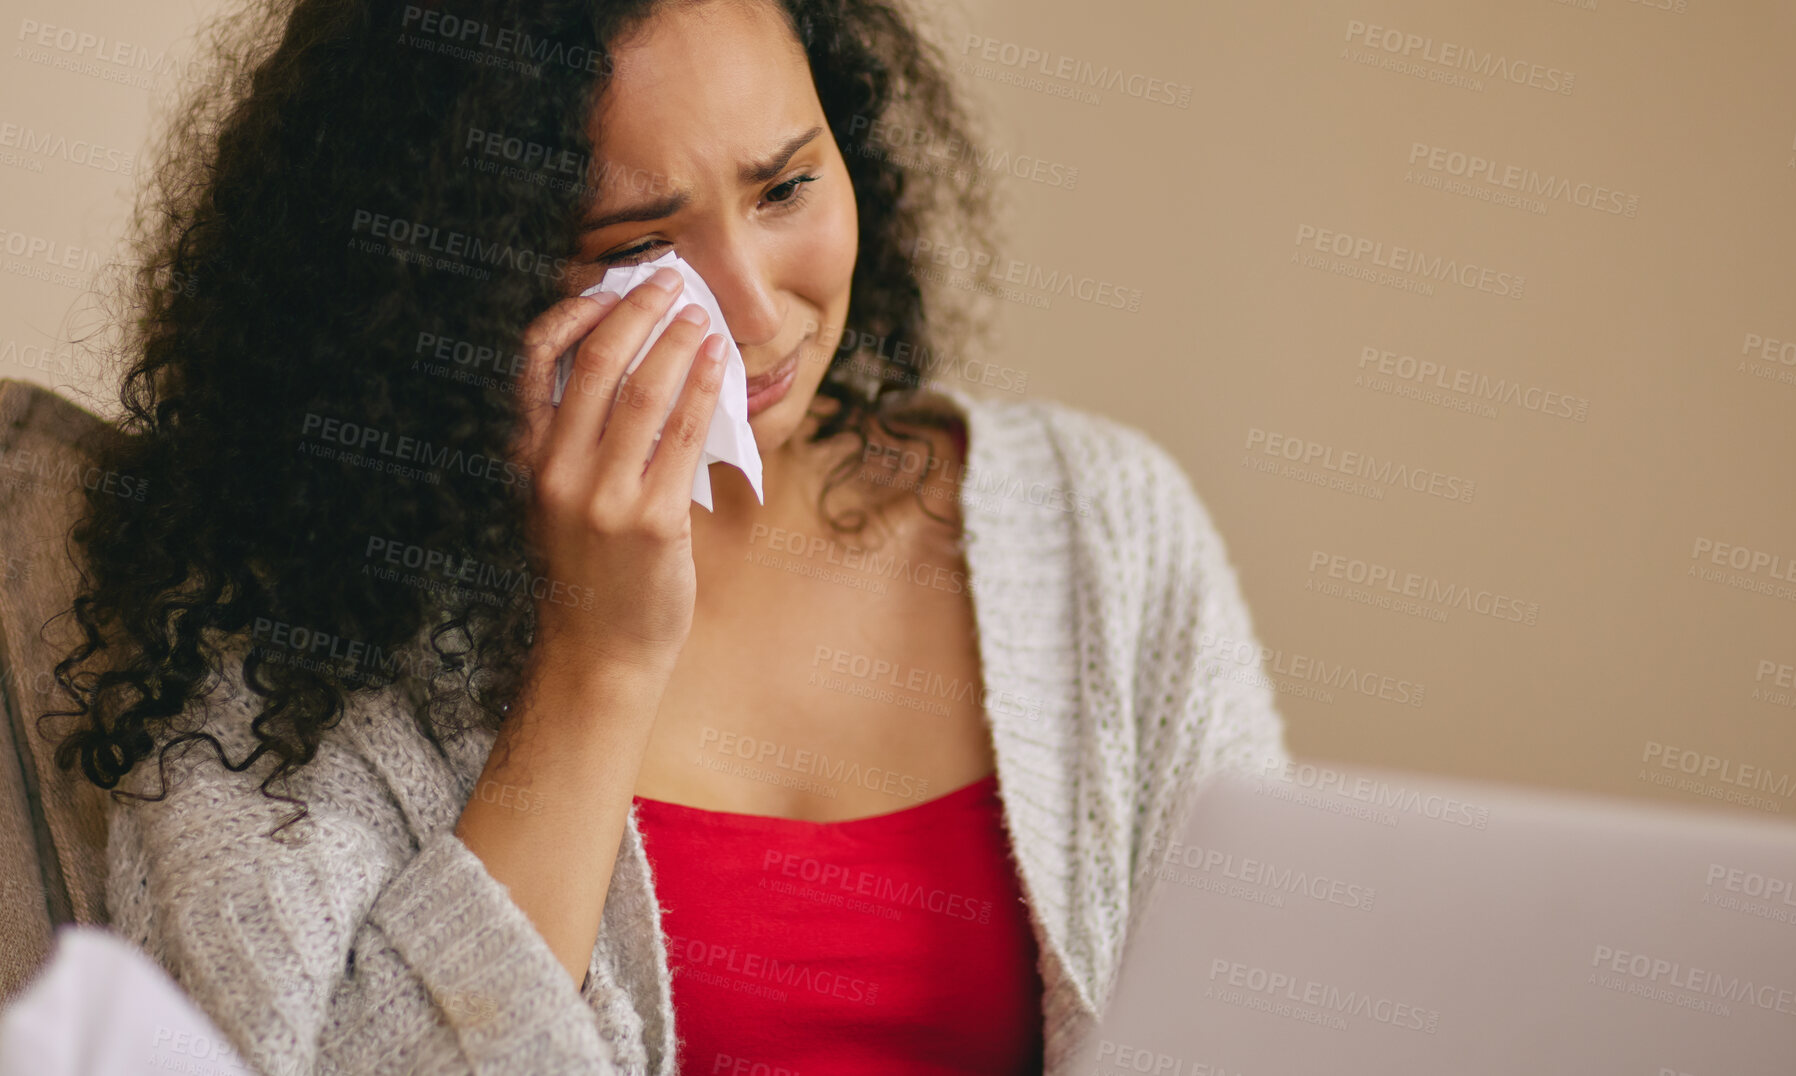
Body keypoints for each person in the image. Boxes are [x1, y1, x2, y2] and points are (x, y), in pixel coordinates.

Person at [42, 1, 1290, 1073]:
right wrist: (597, 660)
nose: (753, 308)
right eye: (638, 247)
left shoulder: (1101, 527)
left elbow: (1263, 1021)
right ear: (449, 285)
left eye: (786, 185)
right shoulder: (294, 652)